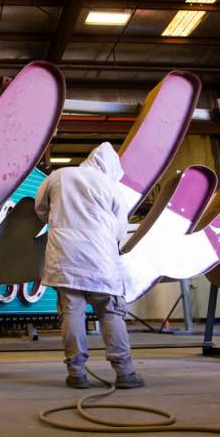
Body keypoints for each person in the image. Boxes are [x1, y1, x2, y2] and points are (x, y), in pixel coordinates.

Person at [34, 142, 143, 390]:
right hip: (102, 263)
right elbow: (119, 229)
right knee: (111, 314)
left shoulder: (58, 177)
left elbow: (40, 210)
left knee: (72, 314)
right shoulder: (113, 188)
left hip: (65, 259)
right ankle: (125, 373)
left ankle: (77, 374)